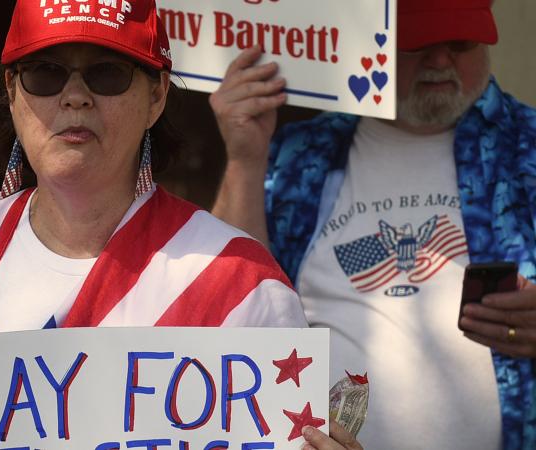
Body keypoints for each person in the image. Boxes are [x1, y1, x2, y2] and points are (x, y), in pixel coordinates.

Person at [0, 1, 318, 449]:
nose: (74, 96)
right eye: (45, 72)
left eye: (107, 72)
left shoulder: (240, 286)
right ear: (12, 90)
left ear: (156, 95)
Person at [210, 0, 536, 448]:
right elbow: (227, 307)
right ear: (374, 44)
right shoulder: (301, 152)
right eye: (417, 44)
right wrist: (245, 160)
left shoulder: (529, 145)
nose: (440, 60)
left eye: (460, 43)